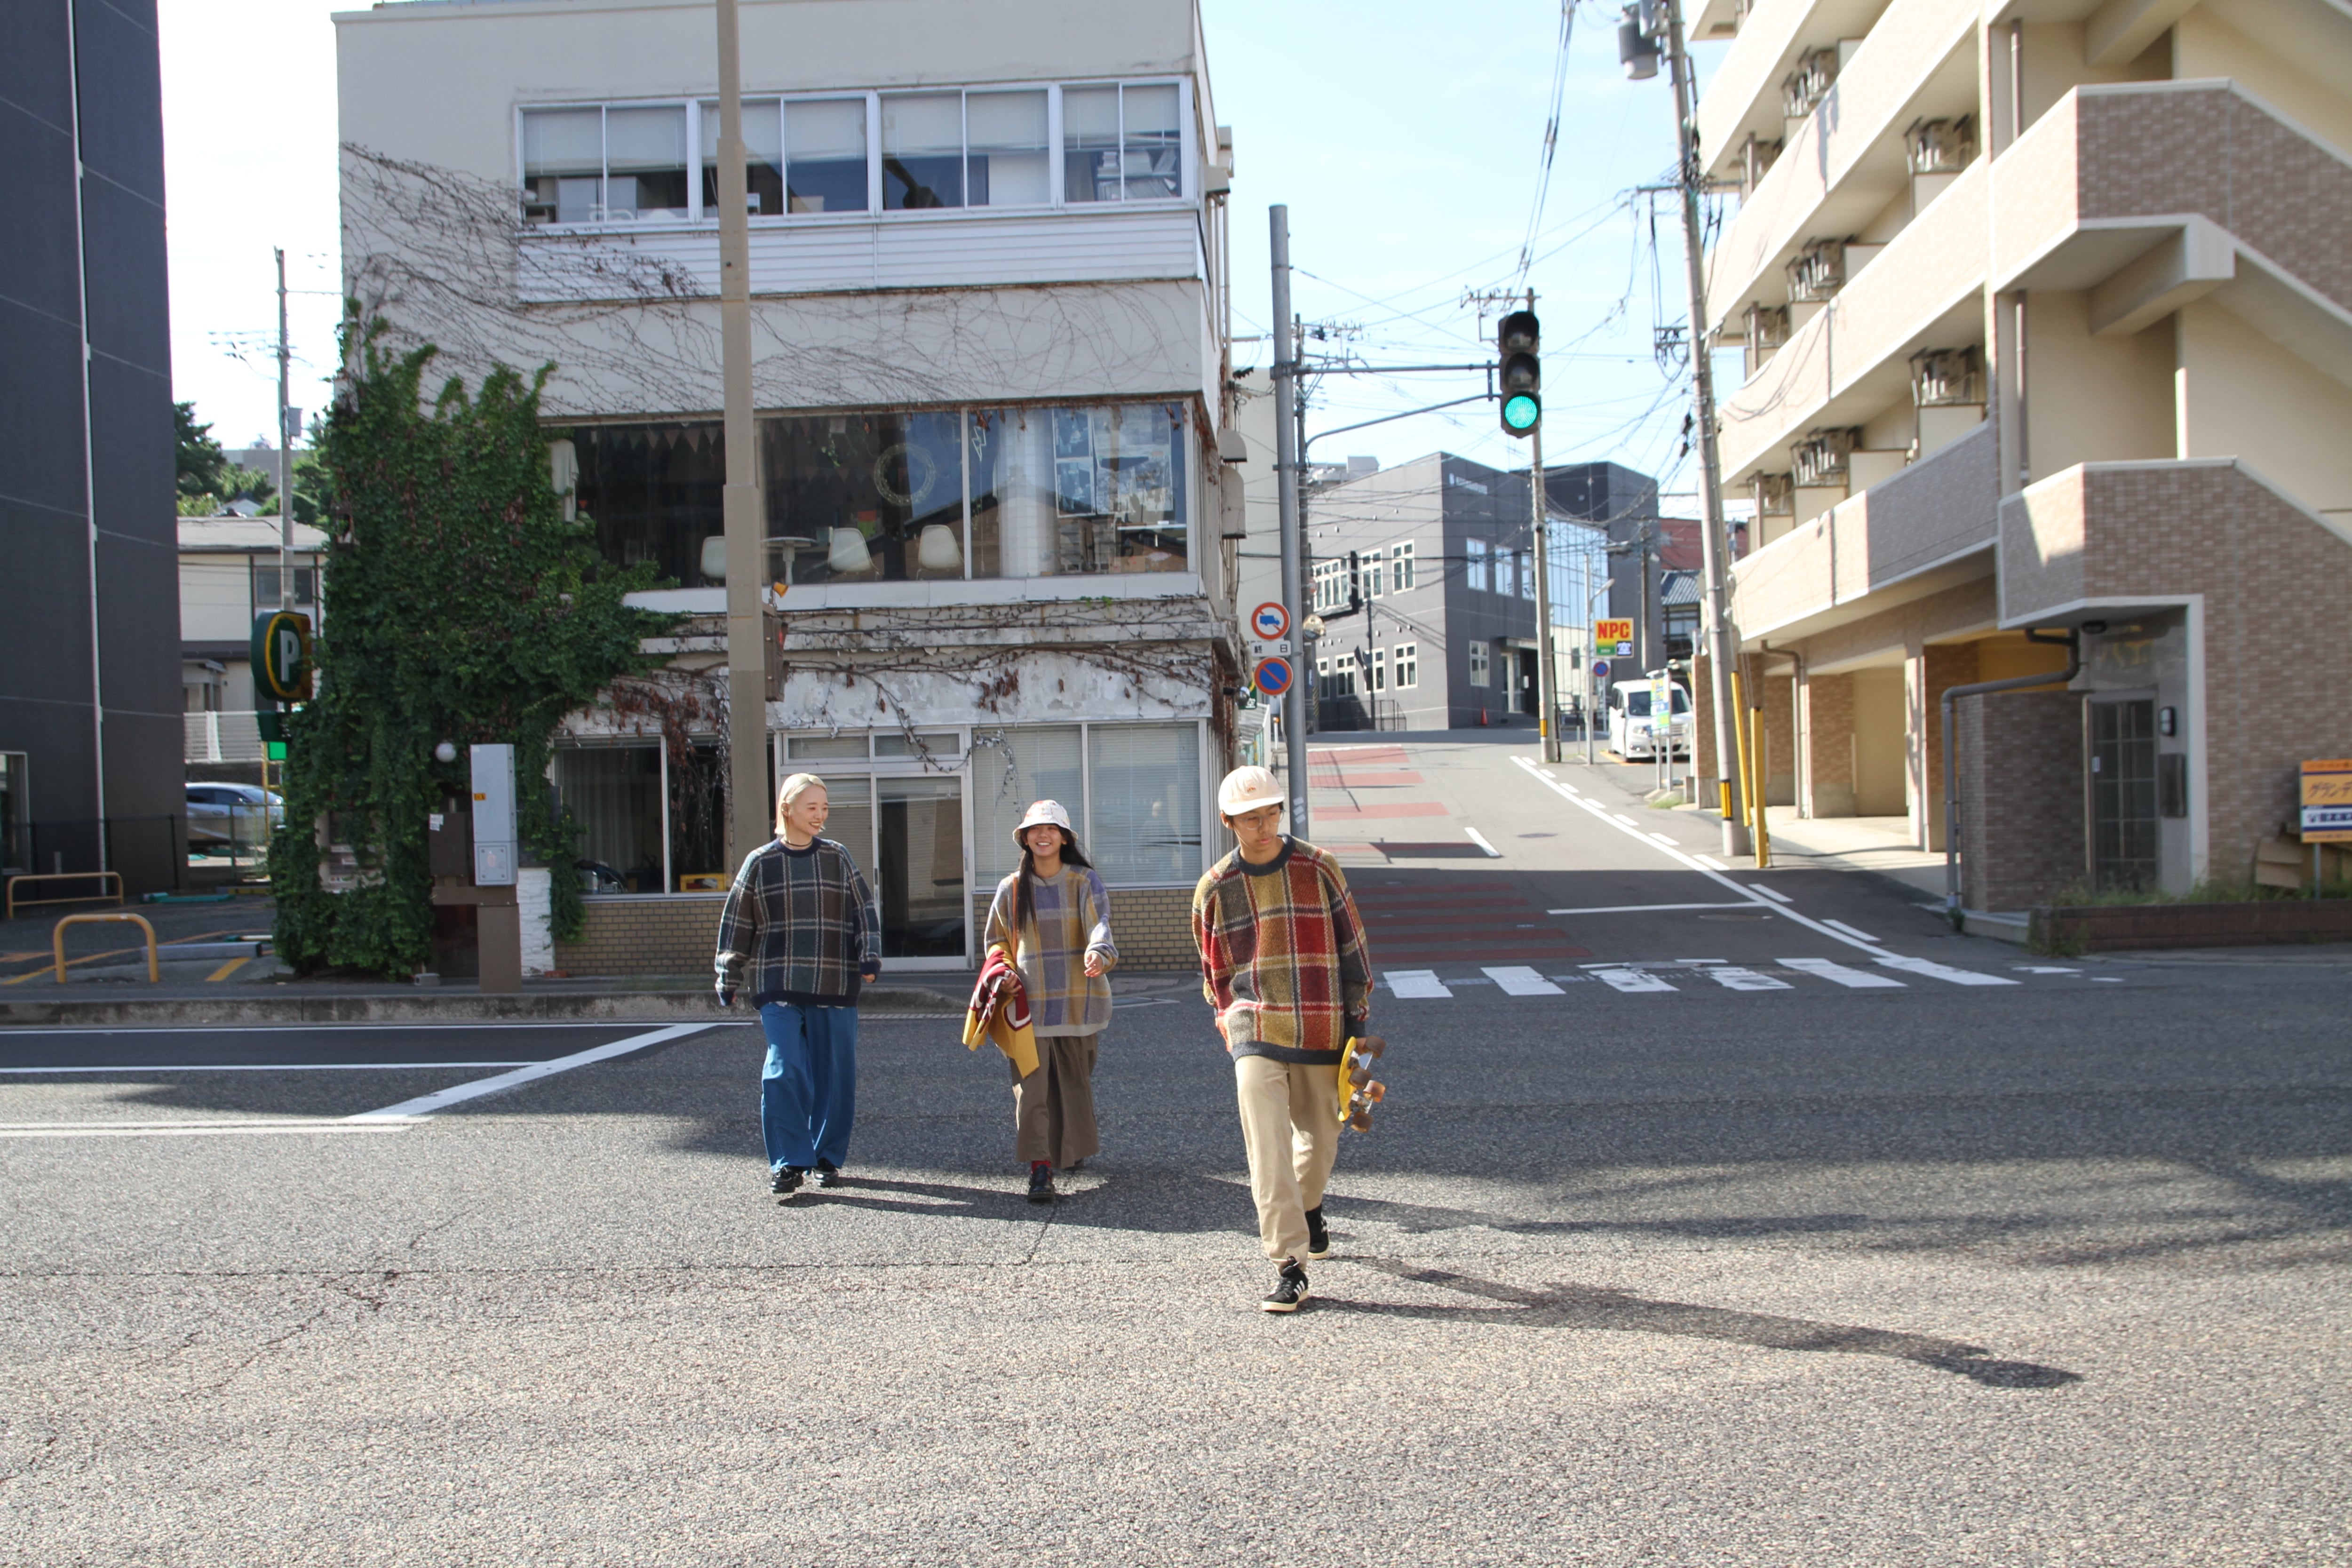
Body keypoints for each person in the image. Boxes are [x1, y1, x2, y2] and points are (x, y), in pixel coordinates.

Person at [1192, 764, 1375, 1313]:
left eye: (1271, 813)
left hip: (1322, 1019)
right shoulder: (1215, 886)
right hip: (1254, 1025)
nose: (1264, 825)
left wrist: (1357, 1020)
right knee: (1266, 1147)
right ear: (1227, 821)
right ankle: (1288, 1264)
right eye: (1250, 818)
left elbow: (1353, 946)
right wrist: (1227, 1016)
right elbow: (1212, 968)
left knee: (1320, 1141)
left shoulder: (1318, 867)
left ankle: (1309, 1207)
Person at [715, 772, 881, 1199]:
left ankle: (826, 1157)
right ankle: (789, 1161)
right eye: (812, 807)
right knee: (783, 1068)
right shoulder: (760, 862)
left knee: (834, 1076)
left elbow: (863, 909)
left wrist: (869, 955)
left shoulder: (837, 857)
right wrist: (729, 973)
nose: (820, 815)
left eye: (825, 808)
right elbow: (738, 922)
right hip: (779, 981)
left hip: (834, 981)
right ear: (787, 809)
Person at [982, 800, 1117, 1204]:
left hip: (1079, 1002)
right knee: (1032, 1091)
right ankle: (1040, 1167)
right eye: (1036, 830)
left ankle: (1069, 1148)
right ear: (1025, 839)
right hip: (1028, 1007)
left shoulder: (1084, 881)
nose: (1043, 835)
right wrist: (1004, 972)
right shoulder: (1011, 888)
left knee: (1075, 1083)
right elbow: (996, 943)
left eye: (1052, 829)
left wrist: (1100, 953)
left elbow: (1100, 926)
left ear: (1064, 838)